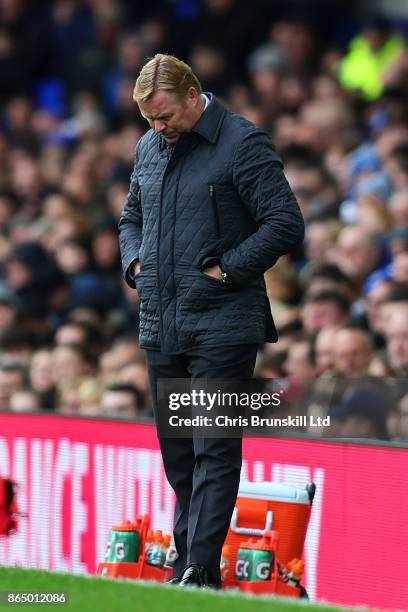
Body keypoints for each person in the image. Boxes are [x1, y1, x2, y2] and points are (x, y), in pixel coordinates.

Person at [118, 54, 304, 588]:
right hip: (162, 320)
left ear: (194, 94)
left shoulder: (242, 143)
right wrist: (135, 263)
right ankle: (191, 564)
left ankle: (198, 569)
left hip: (224, 321)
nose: (159, 129)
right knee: (179, 455)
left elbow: (285, 223)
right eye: (149, 120)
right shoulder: (149, 148)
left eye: (166, 116)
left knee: (213, 446)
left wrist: (229, 271)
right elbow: (132, 216)